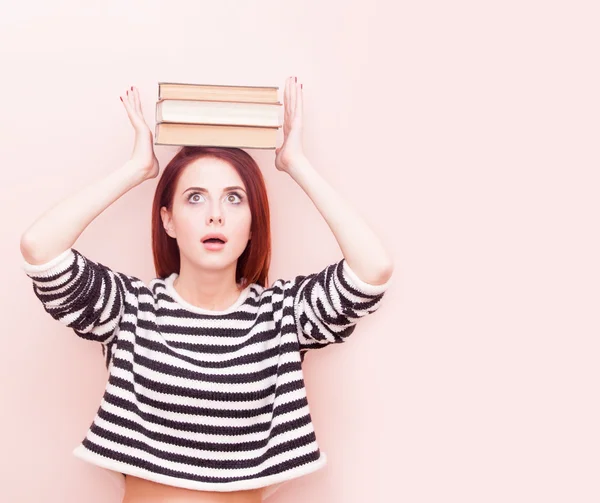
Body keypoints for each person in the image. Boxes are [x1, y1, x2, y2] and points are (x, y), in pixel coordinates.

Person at [19, 76, 394, 503]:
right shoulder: (131, 310)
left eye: (234, 199)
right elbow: (40, 249)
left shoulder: (282, 316)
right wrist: (137, 170)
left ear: (253, 225)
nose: (215, 215)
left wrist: (297, 164)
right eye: (195, 198)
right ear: (169, 220)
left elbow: (373, 269)